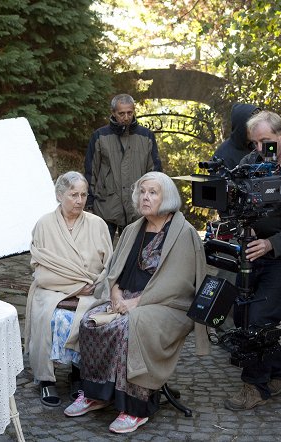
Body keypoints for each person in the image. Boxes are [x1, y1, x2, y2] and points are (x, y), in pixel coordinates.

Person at [63, 171, 209, 434]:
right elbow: (116, 269)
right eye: (142, 192)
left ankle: (135, 407)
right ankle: (97, 394)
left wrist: (137, 303)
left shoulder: (183, 234)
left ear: (167, 198)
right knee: (90, 321)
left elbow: (179, 285)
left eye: (153, 192)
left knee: (130, 325)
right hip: (126, 299)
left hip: (168, 306)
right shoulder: (133, 229)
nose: (145, 197)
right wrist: (116, 292)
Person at [224, 110, 281, 411]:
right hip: (252, 250)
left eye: (265, 141)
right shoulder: (250, 162)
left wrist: (269, 244)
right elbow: (234, 203)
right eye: (254, 143)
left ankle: (255, 386)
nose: (259, 149)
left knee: (261, 318)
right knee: (241, 316)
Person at [24, 171, 113, 407]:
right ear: (59, 195)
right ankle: (45, 379)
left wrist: (93, 285)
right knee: (45, 315)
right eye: (73, 194)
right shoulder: (44, 224)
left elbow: (109, 267)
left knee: (88, 317)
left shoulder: (97, 224)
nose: (79, 200)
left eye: (83, 194)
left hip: (90, 289)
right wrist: (75, 286)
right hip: (52, 288)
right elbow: (41, 272)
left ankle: (78, 374)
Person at [84, 94, 163, 239]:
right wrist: (89, 204)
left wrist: (156, 202)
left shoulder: (146, 137)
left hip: (136, 208)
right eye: (121, 113)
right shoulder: (100, 136)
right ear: (113, 113)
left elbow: (155, 174)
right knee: (101, 255)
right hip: (105, 206)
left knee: (132, 257)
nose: (126, 117)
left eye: (129, 113)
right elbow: (91, 171)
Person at [211, 103, 261, 168]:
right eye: (252, 126)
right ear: (241, 127)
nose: (256, 129)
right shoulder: (222, 155)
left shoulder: (258, 145)